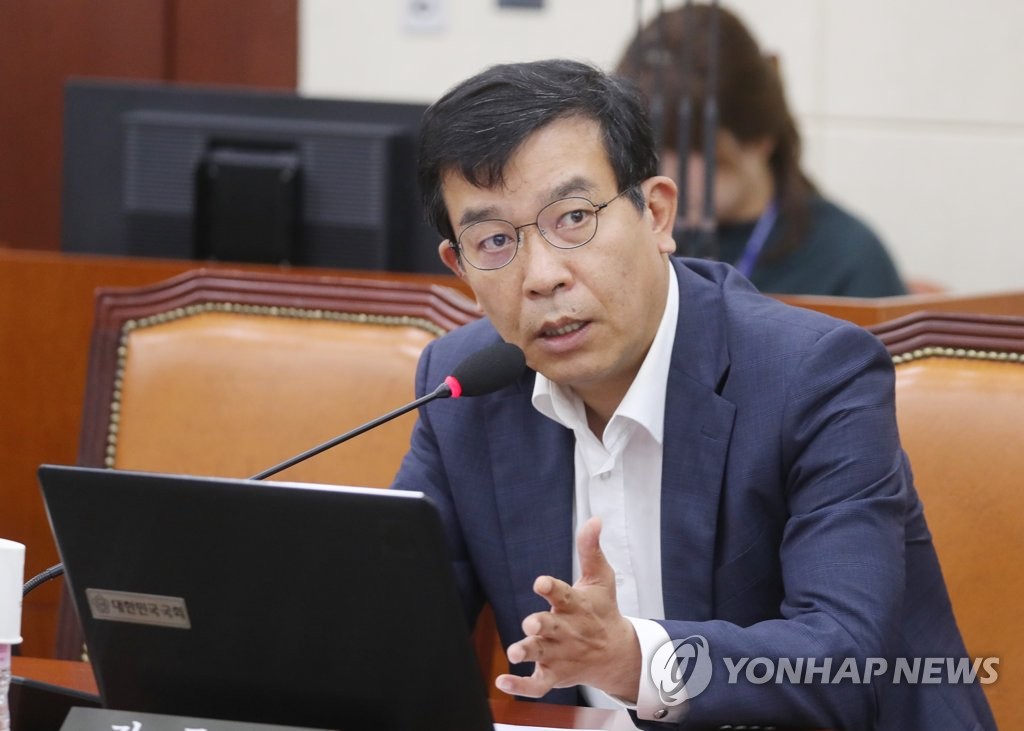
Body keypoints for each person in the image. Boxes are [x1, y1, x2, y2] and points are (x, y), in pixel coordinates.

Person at [393, 59, 994, 729]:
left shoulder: (815, 375)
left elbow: (847, 663)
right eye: (495, 241)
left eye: (573, 218)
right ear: (460, 267)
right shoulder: (462, 389)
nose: (542, 276)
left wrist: (637, 661)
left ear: (655, 213)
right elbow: (394, 633)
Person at [615, 3, 908, 297]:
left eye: (691, 149)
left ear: (759, 138)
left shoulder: (847, 257)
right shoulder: (630, 238)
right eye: (650, 148)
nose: (665, 172)